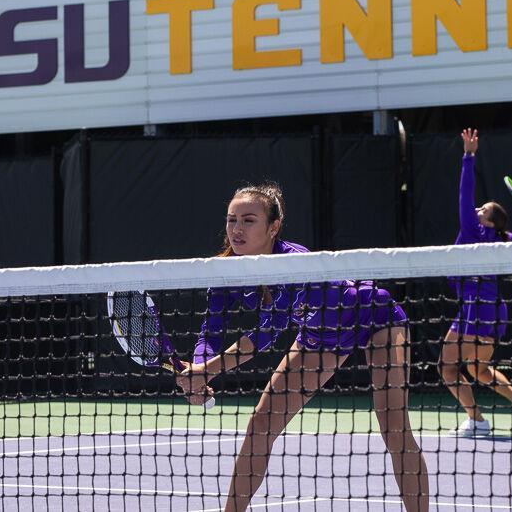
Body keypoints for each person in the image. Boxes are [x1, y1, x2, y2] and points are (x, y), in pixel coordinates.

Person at [175, 182, 429, 512]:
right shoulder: (223, 273)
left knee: (394, 428)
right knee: (261, 426)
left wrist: (205, 371)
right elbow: (210, 334)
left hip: (374, 318)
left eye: (248, 220)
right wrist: (199, 369)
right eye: (231, 219)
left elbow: (266, 334)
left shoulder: (294, 262)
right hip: (320, 338)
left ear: (273, 227)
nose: (237, 229)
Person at [438, 128, 512, 438]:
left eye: (482, 210)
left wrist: (468, 157)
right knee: (477, 370)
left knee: (447, 368)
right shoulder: (502, 239)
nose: (475, 210)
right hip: (491, 311)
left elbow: (464, 193)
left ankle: (478, 421)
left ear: (487, 222)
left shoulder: (474, 231)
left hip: (476, 310)